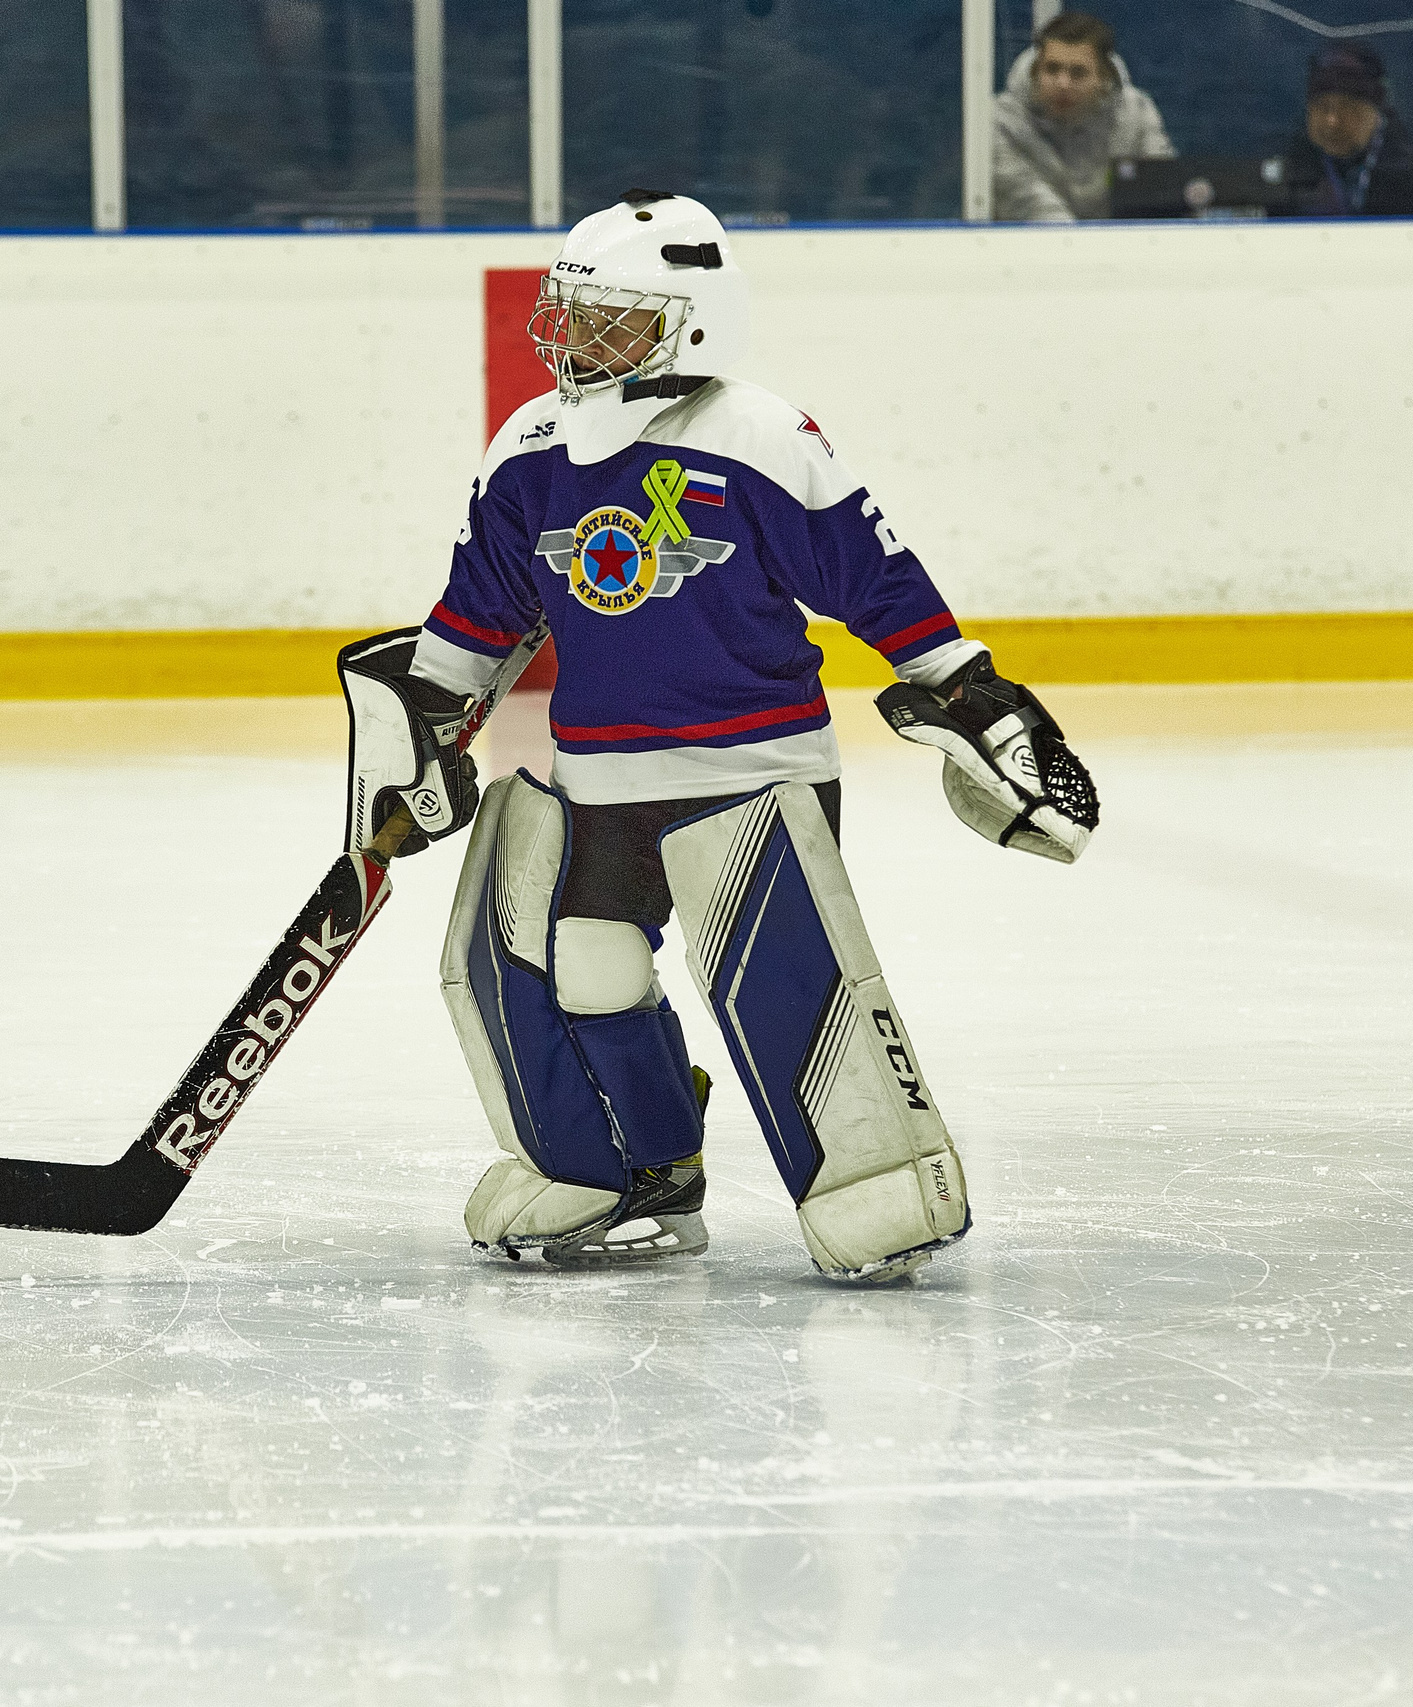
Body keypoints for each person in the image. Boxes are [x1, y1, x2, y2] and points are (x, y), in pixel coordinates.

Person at [336, 191, 1100, 1285]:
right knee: (589, 969)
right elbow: (478, 613)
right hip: (601, 774)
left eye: (612, 318)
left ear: (693, 320)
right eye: (572, 310)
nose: (576, 337)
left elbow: (873, 579)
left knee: (783, 979)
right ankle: (649, 1171)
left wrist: (961, 684)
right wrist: (419, 729)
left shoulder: (761, 434)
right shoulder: (530, 447)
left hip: (757, 770)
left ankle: (882, 1190)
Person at [993, 11, 1175, 222]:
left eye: (1078, 73)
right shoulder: (1001, 121)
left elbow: (1161, 193)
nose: (1063, 84)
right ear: (1035, 71)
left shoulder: (1137, 111)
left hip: (1119, 247)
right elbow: (1026, 202)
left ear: (1103, 77)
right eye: (1052, 70)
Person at [1284, 42, 1413, 217]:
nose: (1332, 121)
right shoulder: (1285, 166)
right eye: (1321, 106)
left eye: (1347, 106)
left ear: (1376, 112)